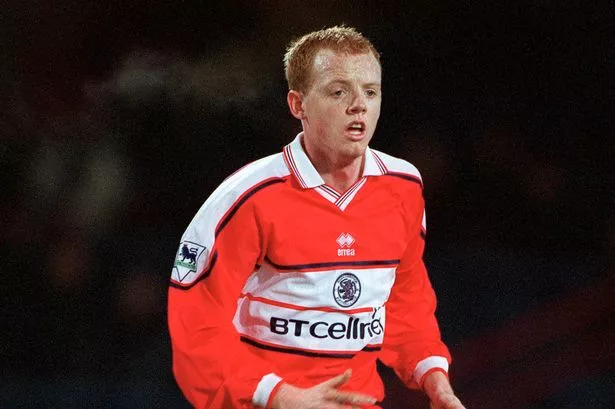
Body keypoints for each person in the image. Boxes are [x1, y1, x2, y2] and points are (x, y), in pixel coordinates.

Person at [168, 25, 466, 409]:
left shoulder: (404, 186)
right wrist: (280, 396)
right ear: (298, 105)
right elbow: (196, 326)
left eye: (370, 91)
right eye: (338, 91)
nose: (358, 105)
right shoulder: (247, 197)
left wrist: (435, 380)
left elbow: (405, 303)